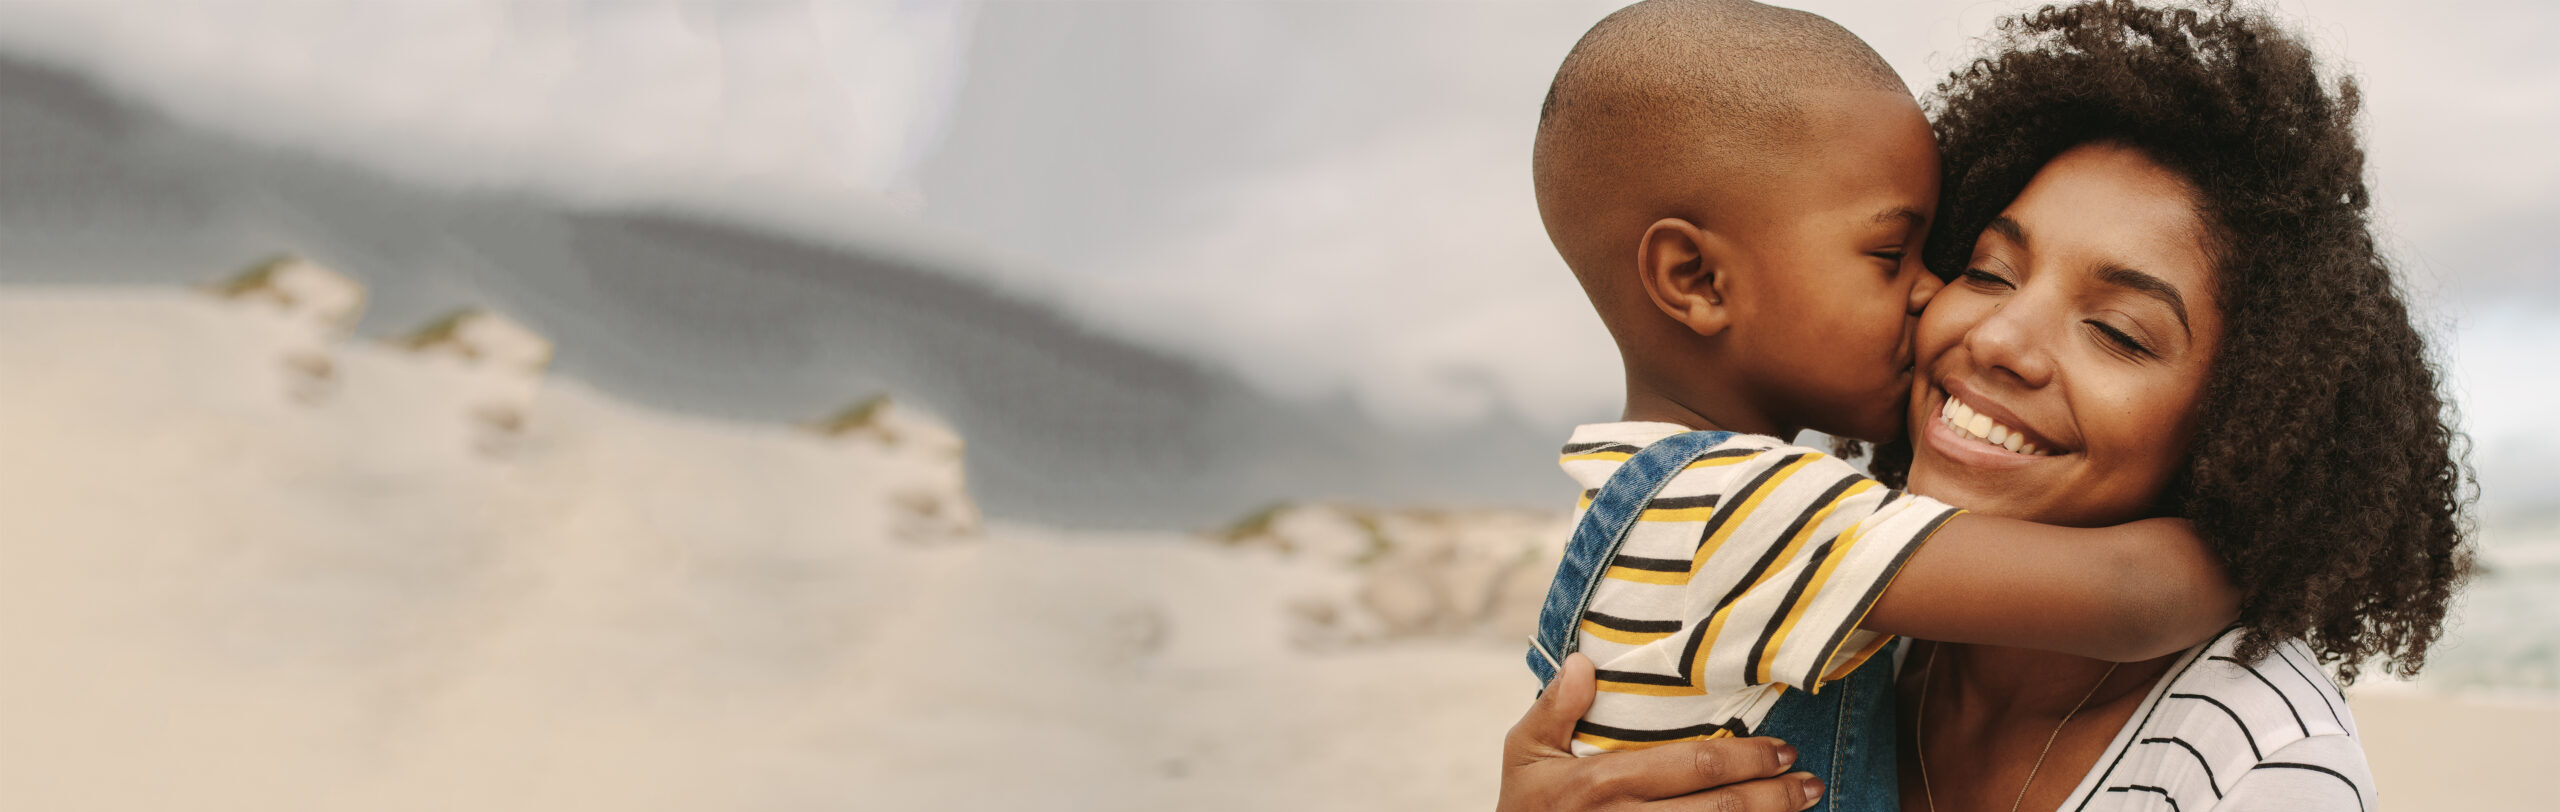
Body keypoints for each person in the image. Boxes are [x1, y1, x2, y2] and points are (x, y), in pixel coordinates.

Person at [1498, 2, 2470, 811]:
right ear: (1693, 278)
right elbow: (2133, 597)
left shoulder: (2253, 768)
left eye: (2119, 331)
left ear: (2251, 420)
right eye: (1985, 267)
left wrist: (2288, 528)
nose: (1989, 335)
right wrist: (2277, 551)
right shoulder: (1788, 537)